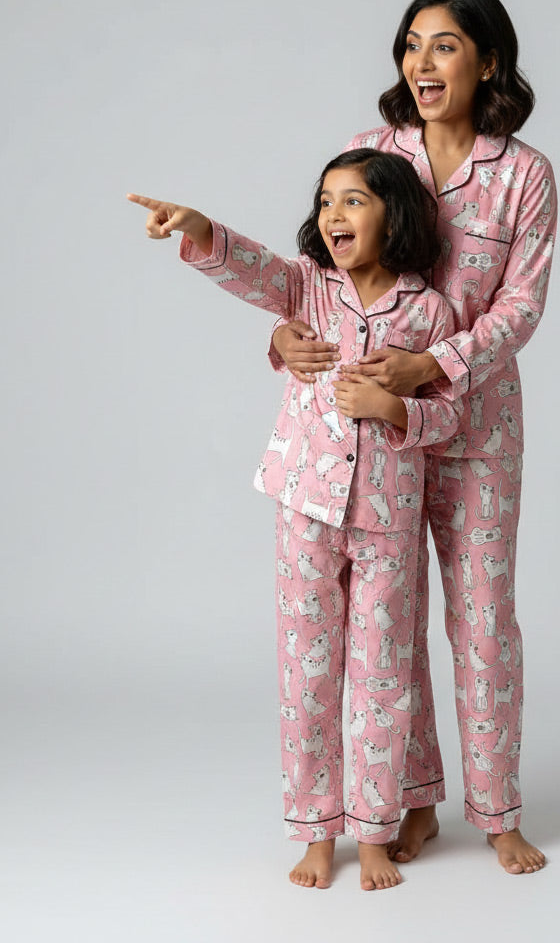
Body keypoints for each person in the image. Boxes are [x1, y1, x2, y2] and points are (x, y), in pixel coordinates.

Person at [271, 0, 557, 875]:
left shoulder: (524, 174)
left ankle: (498, 809)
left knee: (480, 618)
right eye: (411, 45)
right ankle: (411, 800)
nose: (420, 63)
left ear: (488, 61)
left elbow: (521, 306)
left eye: (442, 46)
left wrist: (434, 366)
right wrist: (283, 341)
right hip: (364, 439)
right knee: (389, 624)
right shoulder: (370, 150)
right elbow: (318, 277)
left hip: (473, 427)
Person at [128, 148, 461, 891]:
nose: (333, 214)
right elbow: (253, 269)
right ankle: (316, 831)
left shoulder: (430, 310)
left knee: (381, 676)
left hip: (388, 516)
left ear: (395, 213)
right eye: (326, 201)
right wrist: (200, 227)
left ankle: (373, 833)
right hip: (304, 507)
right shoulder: (306, 289)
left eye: (353, 201)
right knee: (308, 672)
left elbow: (449, 418)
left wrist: (395, 408)